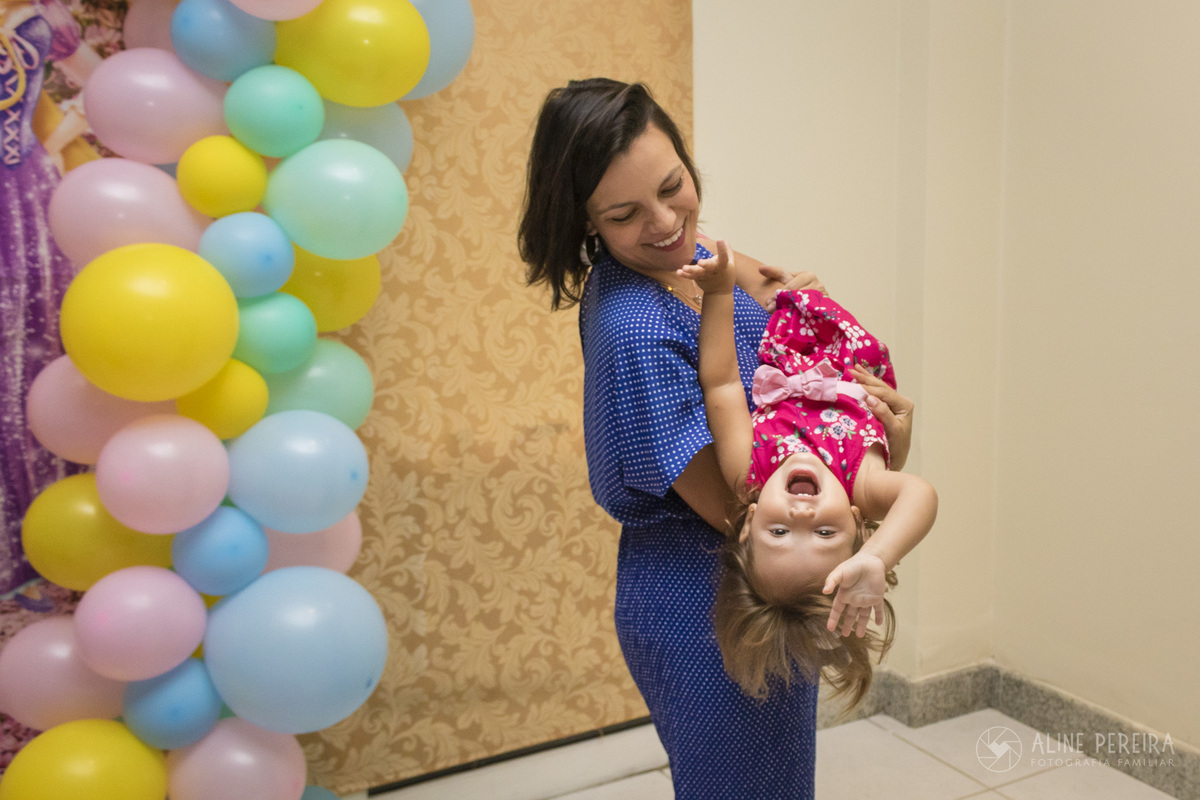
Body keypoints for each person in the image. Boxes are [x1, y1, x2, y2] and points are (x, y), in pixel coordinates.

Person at [519, 78, 915, 799]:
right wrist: (874, 473)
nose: (669, 222)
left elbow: (791, 298)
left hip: (757, 573)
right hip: (710, 597)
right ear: (587, 222)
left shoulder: (688, 256)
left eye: (675, 186)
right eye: (626, 212)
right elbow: (748, 505)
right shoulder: (635, 329)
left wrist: (845, 386)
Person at [678, 240, 936, 708]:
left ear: (748, 523)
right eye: (824, 531)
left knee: (780, 281)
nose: (801, 512)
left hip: (791, 331)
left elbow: (722, 382)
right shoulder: (862, 484)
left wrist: (719, 292)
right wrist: (877, 558)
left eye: (778, 530)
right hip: (845, 350)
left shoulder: (747, 473)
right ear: (858, 522)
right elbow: (921, 494)